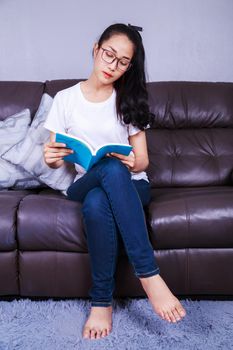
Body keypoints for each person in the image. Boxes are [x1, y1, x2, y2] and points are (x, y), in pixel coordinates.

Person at [43, 23, 186, 340]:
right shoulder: (65, 99)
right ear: (96, 49)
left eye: (123, 62)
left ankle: (101, 302)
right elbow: (54, 153)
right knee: (105, 172)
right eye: (109, 55)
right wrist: (51, 156)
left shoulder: (129, 100)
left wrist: (132, 161)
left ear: (130, 66)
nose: (113, 66)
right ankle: (149, 276)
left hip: (132, 184)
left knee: (99, 199)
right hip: (85, 180)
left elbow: (143, 160)